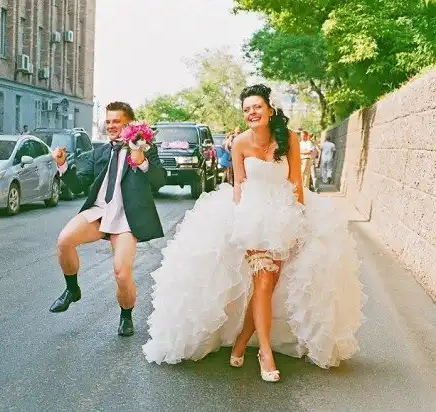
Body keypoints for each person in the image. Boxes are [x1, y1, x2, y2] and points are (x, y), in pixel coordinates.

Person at [142, 84, 365, 382]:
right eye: (246, 109)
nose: (252, 113)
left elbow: (296, 182)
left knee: (268, 285)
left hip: (284, 214)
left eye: (257, 107)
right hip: (252, 215)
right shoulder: (239, 143)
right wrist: (239, 220)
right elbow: (239, 185)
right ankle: (265, 353)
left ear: (270, 109)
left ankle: (241, 340)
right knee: (263, 281)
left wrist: (299, 220)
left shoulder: (289, 139)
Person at [49, 101, 167, 336]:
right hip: (99, 211)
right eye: (108, 122)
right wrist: (62, 166)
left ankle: (126, 315)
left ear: (129, 124)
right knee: (64, 240)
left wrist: (141, 160)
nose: (111, 126)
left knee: (121, 273)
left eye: (117, 122)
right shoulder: (100, 152)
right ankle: (72, 289)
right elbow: (79, 185)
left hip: (126, 218)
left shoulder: (145, 149)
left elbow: (160, 181)